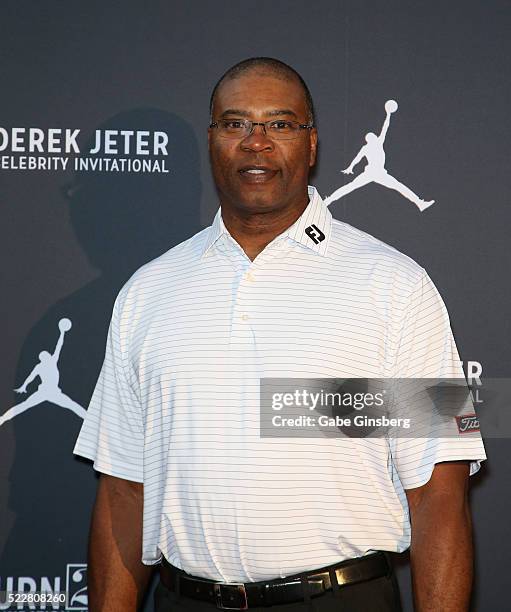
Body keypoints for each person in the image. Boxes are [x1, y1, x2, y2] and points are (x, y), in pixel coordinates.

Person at [73, 57, 487, 612]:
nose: (256, 142)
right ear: (213, 140)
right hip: (184, 600)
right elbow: (123, 490)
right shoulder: (149, 292)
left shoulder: (395, 285)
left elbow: (439, 488)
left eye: (280, 124)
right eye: (236, 123)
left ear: (311, 144)